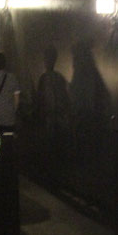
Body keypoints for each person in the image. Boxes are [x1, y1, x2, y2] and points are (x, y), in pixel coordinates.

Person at [35, 44, 72, 177]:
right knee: (55, 146)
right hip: (55, 118)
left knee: (52, 146)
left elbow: (40, 100)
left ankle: (52, 174)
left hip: (52, 118)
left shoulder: (46, 78)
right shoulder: (58, 78)